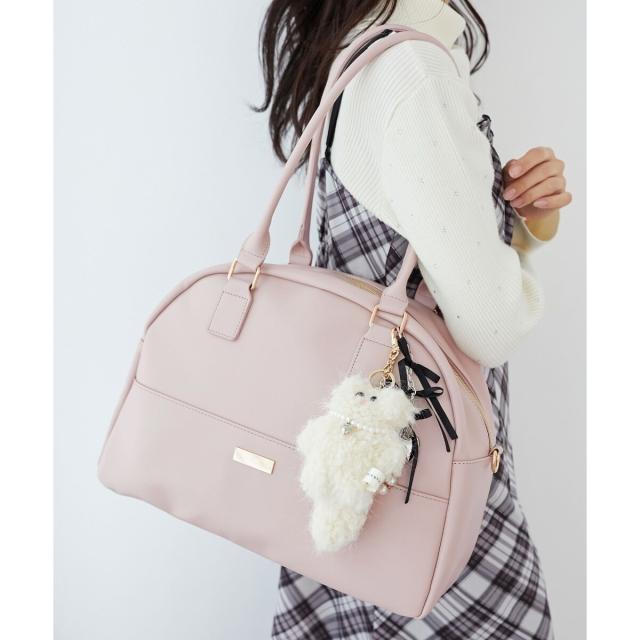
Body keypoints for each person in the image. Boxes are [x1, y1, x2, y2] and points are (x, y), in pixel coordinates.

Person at [256, 1, 571, 638]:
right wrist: (516, 254)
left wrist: (525, 222)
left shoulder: (359, 50)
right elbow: (491, 324)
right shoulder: (410, 70)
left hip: (362, 456)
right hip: (422, 467)